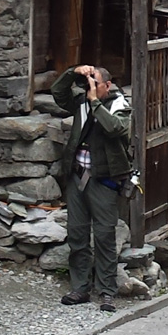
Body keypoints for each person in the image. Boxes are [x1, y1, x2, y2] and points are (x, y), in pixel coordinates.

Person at [51, 64, 132, 313]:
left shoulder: (120, 105)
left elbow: (115, 128)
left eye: (95, 82)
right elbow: (58, 93)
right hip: (77, 177)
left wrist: (95, 102)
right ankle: (80, 288)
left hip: (104, 180)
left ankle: (107, 291)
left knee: (105, 236)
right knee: (77, 234)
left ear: (107, 85)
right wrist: (73, 73)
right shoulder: (81, 101)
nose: (90, 87)